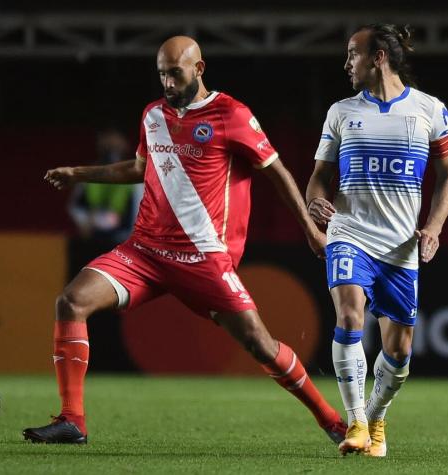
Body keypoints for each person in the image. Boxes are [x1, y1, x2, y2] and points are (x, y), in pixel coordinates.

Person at [23, 35, 347, 446]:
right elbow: (141, 168)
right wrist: (78, 173)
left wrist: (309, 229)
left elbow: (276, 171)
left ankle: (331, 421)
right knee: (71, 302)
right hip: (143, 252)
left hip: (203, 258)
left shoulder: (232, 114)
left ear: (200, 68)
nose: (168, 83)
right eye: (162, 74)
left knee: (260, 344)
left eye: (175, 73)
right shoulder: (153, 114)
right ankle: (73, 421)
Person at [306, 24, 448, 457]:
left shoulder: (430, 110)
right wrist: (316, 203)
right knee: (351, 318)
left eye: (352, 54)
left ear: (378, 58)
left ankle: (375, 416)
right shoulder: (340, 112)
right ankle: (354, 422)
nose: (346, 63)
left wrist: (435, 227)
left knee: (400, 349)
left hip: (400, 246)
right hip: (349, 233)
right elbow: (317, 179)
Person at [68, 128, 142, 243]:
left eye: (115, 139)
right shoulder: (87, 173)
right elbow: (75, 206)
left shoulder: (136, 177)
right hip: (92, 239)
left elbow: (140, 211)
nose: (111, 143)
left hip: (123, 241)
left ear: (125, 143)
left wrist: (130, 236)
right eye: (107, 138)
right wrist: (85, 222)